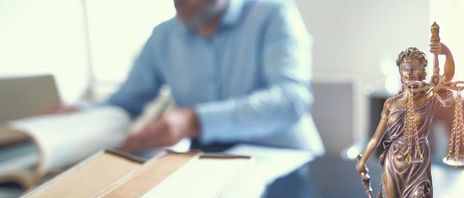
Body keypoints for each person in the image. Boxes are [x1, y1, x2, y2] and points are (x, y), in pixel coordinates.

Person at [56, 0, 323, 154]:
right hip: (205, 170)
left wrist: (194, 120)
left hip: (287, 164)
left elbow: (291, 100)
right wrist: (80, 113)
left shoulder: (273, 13)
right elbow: (126, 100)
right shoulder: (162, 37)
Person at [356, 47, 452, 198]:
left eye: (415, 69)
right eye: (405, 69)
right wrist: (362, 160)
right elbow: (376, 138)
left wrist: (445, 52)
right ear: (400, 72)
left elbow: (448, 77)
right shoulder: (391, 103)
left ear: (423, 70)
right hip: (392, 165)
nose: (410, 73)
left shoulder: (428, 97)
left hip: (417, 165)